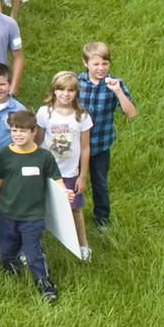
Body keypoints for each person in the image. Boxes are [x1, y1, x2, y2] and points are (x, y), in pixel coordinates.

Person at [0, 110, 63, 303]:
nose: (18, 135)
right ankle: (13, 276)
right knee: (7, 252)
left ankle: (45, 284)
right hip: (7, 213)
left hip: (33, 216)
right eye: (14, 130)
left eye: (22, 131)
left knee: (33, 254)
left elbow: (57, 182)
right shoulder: (4, 154)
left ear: (33, 132)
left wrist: (66, 193)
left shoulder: (44, 157)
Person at [77, 41, 138, 229]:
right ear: (85, 63)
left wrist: (118, 91)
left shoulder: (115, 84)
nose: (101, 68)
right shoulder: (76, 83)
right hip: (75, 145)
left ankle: (102, 220)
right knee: (73, 182)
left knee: (100, 184)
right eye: (96, 64)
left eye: (105, 64)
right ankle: (70, 216)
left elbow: (131, 114)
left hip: (101, 145)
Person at [36, 71, 94, 260]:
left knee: (75, 208)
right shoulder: (44, 112)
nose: (66, 94)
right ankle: (35, 245)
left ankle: (83, 245)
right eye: (61, 89)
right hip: (47, 171)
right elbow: (37, 141)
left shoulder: (82, 116)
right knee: (40, 209)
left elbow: (85, 148)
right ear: (54, 91)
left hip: (70, 172)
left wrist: (82, 175)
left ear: (76, 93)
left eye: (70, 90)